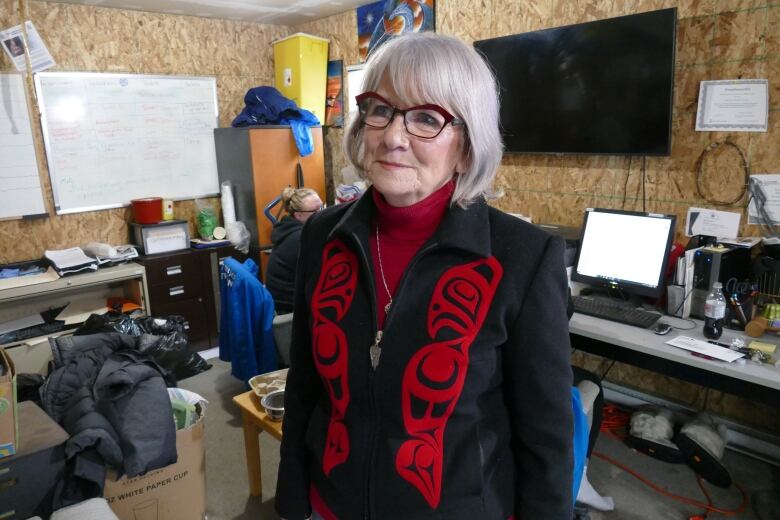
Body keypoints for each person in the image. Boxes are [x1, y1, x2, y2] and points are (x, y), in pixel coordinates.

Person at [276, 32, 573, 520]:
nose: (394, 136)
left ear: (465, 145)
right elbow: (305, 384)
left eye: (426, 119)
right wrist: (292, 501)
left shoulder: (524, 259)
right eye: (381, 110)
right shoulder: (324, 235)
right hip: (333, 506)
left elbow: (548, 437)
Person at [265, 187, 323, 314]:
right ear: (298, 215)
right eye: (316, 211)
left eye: (322, 208)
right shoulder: (300, 238)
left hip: (285, 304)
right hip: (292, 311)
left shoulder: (288, 231)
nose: (322, 214)